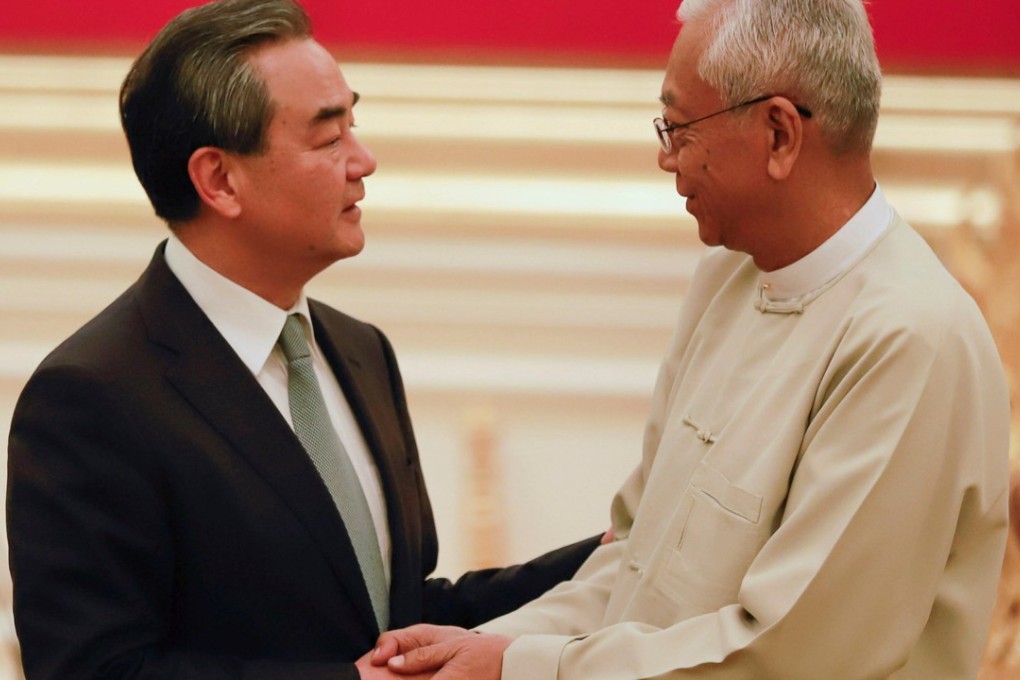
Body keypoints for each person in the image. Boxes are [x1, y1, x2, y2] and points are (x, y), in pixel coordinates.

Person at [370, 0, 1013, 678]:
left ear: (778, 135)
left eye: (680, 127)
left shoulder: (908, 339)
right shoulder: (725, 283)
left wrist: (520, 667)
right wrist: (460, 651)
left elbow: (795, 655)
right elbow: (632, 564)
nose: (664, 156)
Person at [5, 1, 600, 678]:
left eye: (355, 124)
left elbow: (390, 617)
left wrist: (618, 552)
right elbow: (95, 670)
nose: (365, 161)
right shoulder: (92, 397)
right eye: (328, 139)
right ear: (219, 180)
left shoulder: (359, 350)